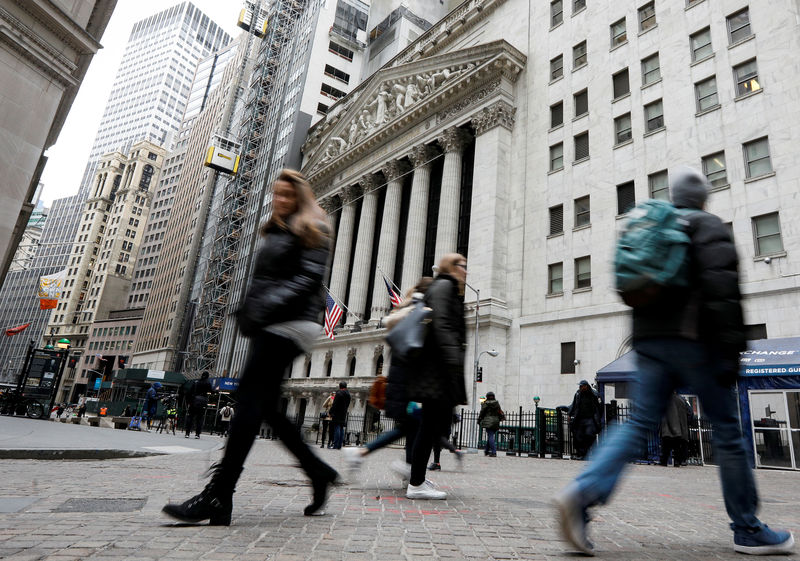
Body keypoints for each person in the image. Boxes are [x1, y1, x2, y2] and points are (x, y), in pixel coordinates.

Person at [555, 168, 795, 556]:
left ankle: (583, 492)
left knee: (637, 425)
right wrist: (732, 352)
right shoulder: (709, 226)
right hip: (697, 343)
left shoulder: (656, 227)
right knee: (730, 435)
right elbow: (723, 292)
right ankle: (748, 529)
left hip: (648, 344)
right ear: (702, 198)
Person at [163, 169, 338, 525]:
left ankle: (219, 494)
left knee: (247, 399)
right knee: (268, 408)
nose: (281, 200)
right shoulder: (279, 228)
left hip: (289, 323)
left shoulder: (313, 227)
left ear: (301, 197)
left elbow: (306, 281)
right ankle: (317, 472)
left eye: (288, 195)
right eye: (277, 194)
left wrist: (261, 308)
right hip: (272, 321)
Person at [343, 278, 433, 476]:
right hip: (410, 384)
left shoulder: (407, 310)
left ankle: (409, 470)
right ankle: (364, 453)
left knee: (411, 427)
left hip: (401, 381)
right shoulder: (420, 312)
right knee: (412, 426)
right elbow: (416, 351)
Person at [406, 253, 468, 500]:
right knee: (431, 426)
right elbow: (441, 325)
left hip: (440, 366)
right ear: (452, 267)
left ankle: (417, 479)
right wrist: (452, 360)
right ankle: (416, 482)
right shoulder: (443, 286)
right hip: (439, 368)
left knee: (433, 426)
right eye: (462, 266)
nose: (466, 270)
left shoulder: (447, 288)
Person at [568, 380, 602, 460]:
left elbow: (600, 406)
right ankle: (582, 454)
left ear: (586, 386)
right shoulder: (577, 394)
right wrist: (570, 414)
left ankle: (591, 453)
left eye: (581, 386)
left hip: (590, 418)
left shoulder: (595, 394)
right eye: (580, 386)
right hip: (579, 419)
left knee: (589, 435)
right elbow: (574, 405)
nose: (580, 387)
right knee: (579, 436)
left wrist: (598, 416)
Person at [660, 392, 690, 467]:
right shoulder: (681, 400)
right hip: (678, 428)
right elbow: (689, 413)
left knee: (665, 448)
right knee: (677, 447)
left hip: (666, 427)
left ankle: (664, 461)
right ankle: (677, 462)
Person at [184, 371, 212, 439]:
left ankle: (187, 433)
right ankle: (197, 434)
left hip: (194, 401)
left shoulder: (196, 382)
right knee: (199, 419)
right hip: (202, 403)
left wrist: (189, 401)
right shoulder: (208, 383)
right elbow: (211, 391)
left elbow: (189, 392)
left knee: (190, 417)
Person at [478, 392, 504, 458]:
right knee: (490, 436)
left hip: (488, 421)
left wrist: (479, 419)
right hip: (496, 421)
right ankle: (486, 451)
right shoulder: (496, 403)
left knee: (490, 436)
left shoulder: (486, 403)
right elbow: (499, 411)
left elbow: (482, 412)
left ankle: (493, 452)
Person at [329, 382, 351, 449]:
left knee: (337, 428)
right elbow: (348, 404)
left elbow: (335, 404)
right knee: (341, 428)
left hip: (337, 413)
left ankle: (335, 445)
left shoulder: (339, 393)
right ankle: (339, 445)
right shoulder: (348, 394)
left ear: (340, 386)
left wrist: (331, 411)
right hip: (344, 412)